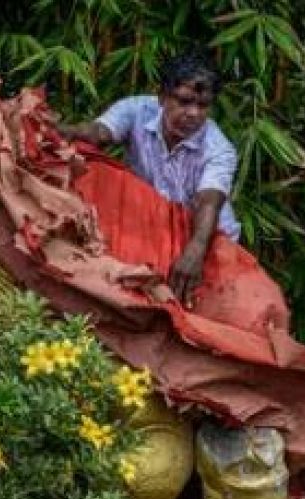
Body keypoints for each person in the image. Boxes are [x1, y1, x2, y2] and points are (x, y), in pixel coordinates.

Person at [58, 51, 239, 307]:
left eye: (203, 105)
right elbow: (99, 133)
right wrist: (63, 131)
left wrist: (196, 250)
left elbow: (209, 201)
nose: (193, 113)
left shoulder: (219, 149)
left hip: (206, 237)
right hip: (153, 227)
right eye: (185, 101)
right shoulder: (136, 110)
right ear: (163, 97)